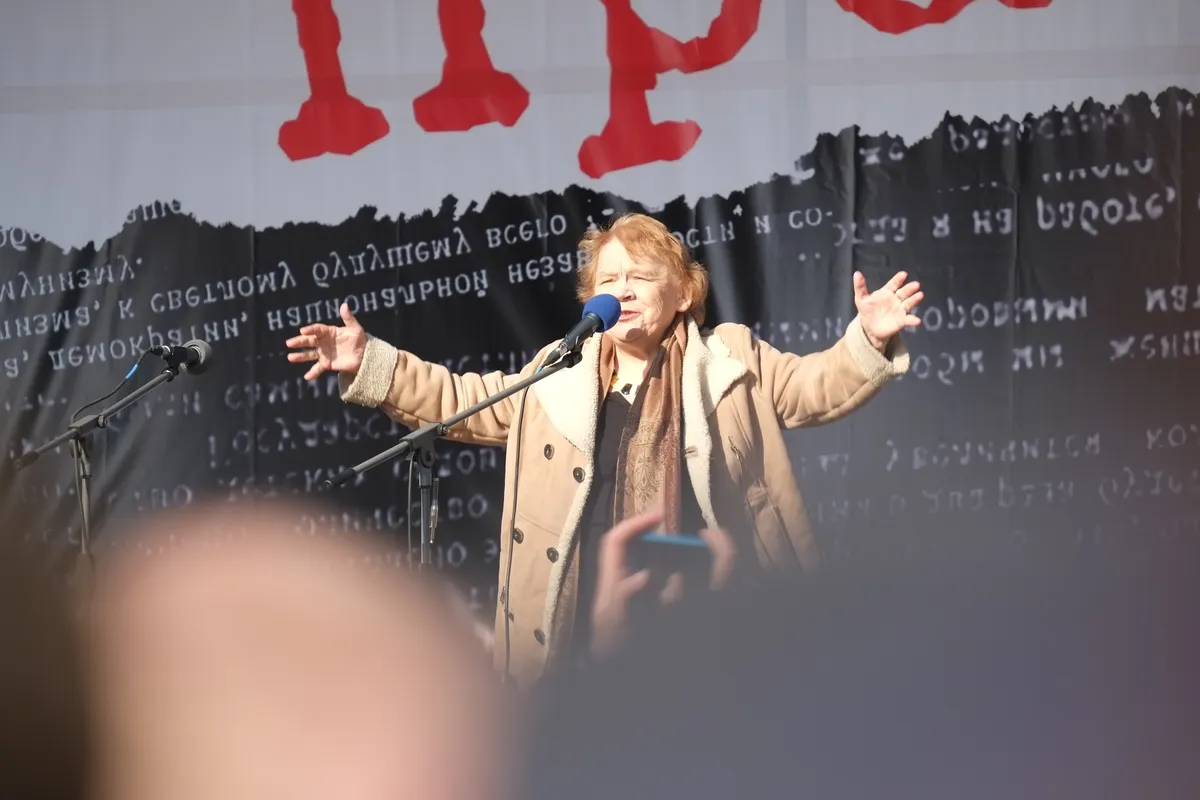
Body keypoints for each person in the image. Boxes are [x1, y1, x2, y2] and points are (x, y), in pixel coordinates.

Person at [285, 212, 922, 688]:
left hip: (717, 626)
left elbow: (814, 386)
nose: (625, 289)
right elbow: (465, 399)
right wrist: (370, 363)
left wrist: (867, 338)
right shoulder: (558, 371)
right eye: (610, 280)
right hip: (582, 626)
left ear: (684, 294)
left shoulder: (731, 358)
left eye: (641, 277)